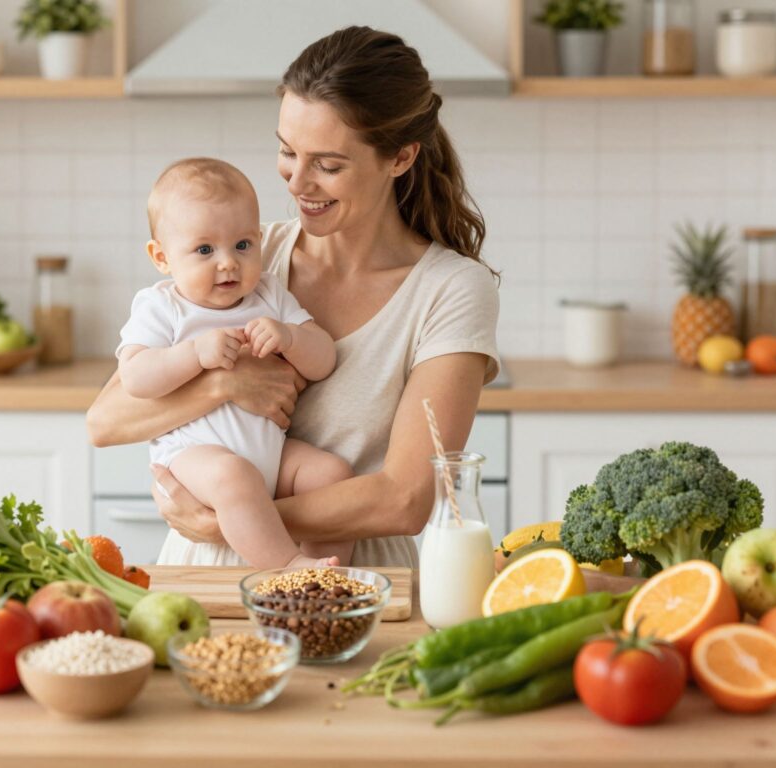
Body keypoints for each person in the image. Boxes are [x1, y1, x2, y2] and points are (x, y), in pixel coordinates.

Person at [87, 26, 500, 568]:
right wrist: (227, 384)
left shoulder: (450, 289)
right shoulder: (243, 257)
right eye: (287, 152)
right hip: (203, 578)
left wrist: (230, 518)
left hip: (353, 581)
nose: (297, 183)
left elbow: (405, 499)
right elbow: (106, 421)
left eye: (328, 165)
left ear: (400, 158)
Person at [116, 157, 354, 568]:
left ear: (259, 240)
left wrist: (292, 337)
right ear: (162, 257)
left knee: (330, 473)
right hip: (195, 457)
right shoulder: (162, 306)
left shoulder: (268, 294)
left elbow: (324, 359)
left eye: (243, 245)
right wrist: (193, 355)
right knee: (234, 477)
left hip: (270, 455)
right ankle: (289, 569)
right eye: (204, 249)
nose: (228, 262)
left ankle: (327, 576)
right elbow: (135, 378)